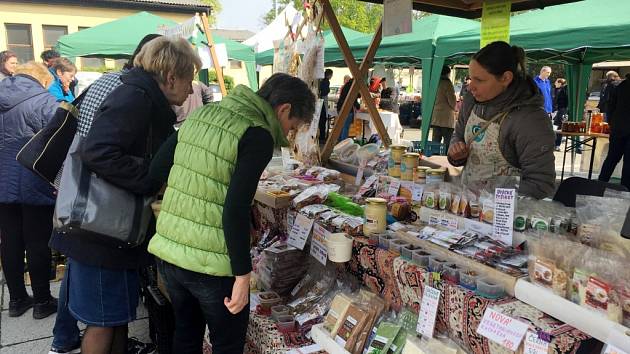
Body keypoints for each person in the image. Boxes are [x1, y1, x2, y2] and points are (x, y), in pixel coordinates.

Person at [49, 36, 200, 354]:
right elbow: (99, 152)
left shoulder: (137, 92)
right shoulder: (136, 96)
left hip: (105, 230)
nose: (191, 89)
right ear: (172, 76)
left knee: (113, 318)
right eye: (190, 79)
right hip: (100, 231)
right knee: (102, 323)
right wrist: (152, 179)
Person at [147, 73, 315, 354]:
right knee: (227, 344)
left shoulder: (205, 113)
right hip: (212, 265)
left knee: (186, 335)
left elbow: (155, 172)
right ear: (283, 109)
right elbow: (235, 209)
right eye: (292, 127)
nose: (288, 134)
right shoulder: (257, 133)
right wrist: (242, 277)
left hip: (170, 252)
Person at [447, 41, 556, 199]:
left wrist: (491, 196)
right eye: (471, 78)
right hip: (467, 206)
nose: (471, 87)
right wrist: (456, 153)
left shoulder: (530, 120)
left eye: (480, 80)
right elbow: (458, 135)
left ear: (505, 78)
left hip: (505, 216)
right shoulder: (472, 101)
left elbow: (540, 184)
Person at [0, 62, 59, 320]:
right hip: (34, 178)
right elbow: (60, 138)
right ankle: (43, 301)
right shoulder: (45, 101)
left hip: (2, 181)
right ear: (42, 80)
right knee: (37, 242)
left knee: (10, 241)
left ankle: (16, 300)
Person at [599, 74, 630, 188]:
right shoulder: (618, 86)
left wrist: (613, 123)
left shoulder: (618, 86)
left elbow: (609, 107)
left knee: (611, 159)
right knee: (628, 163)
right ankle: (625, 190)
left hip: (618, 128)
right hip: (621, 127)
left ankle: (600, 185)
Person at [432, 66, 457, 152]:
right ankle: (444, 160)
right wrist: (456, 108)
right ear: (448, 73)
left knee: (435, 142)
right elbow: (452, 101)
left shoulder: (435, 83)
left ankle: (433, 157)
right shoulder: (447, 83)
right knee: (447, 143)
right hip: (446, 118)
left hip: (436, 117)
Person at [553, 78, 568, 151]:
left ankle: (557, 145)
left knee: (557, 127)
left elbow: (556, 101)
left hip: (561, 111)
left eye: (556, 82)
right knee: (556, 127)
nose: (554, 83)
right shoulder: (557, 90)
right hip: (559, 111)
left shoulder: (561, 90)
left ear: (560, 83)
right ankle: (556, 144)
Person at [318, 68, 333, 143]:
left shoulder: (321, 81)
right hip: (322, 102)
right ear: (329, 75)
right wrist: (328, 90)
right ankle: (322, 137)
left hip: (320, 101)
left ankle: (321, 136)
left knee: (321, 119)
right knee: (323, 120)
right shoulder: (326, 82)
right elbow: (324, 92)